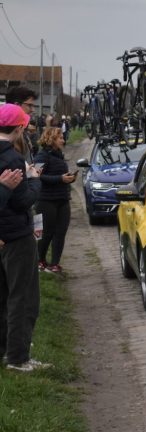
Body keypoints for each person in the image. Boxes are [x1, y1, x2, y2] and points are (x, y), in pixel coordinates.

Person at [0, 103, 48, 372]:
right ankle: (18, 358)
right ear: (18, 128)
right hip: (17, 236)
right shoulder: (13, 159)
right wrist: (34, 180)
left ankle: (4, 351)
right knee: (23, 297)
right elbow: (22, 202)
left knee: (2, 297)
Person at [33, 127, 76, 275]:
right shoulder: (42, 156)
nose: (63, 140)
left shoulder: (58, 155)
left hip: (62, 199)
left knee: (60, 232)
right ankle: (40, 260)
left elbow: (57, 175)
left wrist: (68, 178)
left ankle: (55, 264)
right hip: (46, 200)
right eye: (60, 138)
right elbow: (36, 176)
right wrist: (60, 178)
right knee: (45, 233)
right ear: (51, 139)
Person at [5, 87, 38, 162]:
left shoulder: (22, 128)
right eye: (29, 105)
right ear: (16, 105)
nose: (33, 110)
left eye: (33, 106)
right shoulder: (7, 132)